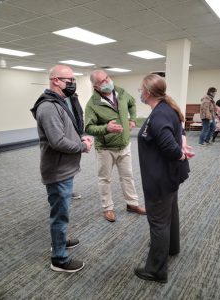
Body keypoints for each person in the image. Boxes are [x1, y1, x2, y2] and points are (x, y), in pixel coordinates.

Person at [31, 64, 93, 273]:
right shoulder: (48, 107)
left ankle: (60, 241)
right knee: (60, 214)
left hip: (65, 168)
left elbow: (71, 127)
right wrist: (82, 146)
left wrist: (81, 135)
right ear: (55, 80)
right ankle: (59, 258)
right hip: (57, 171)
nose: (72, 84)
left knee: (62, 211)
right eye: (69, 80)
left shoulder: (62, 102)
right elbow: (58, 141)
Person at [135, 74, 192, 283]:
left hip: (159, 178)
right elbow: (180, 128)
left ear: (148, 92)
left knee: (158, 221)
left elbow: (169, 146)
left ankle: (156, 270)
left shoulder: (159, 115)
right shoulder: (167, 108)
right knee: (170, 213)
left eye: (141, 89)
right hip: (169, 176)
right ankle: (171, 248)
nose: (140, 92)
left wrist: (180, 152)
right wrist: (182, 144)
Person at [85, 70, 146, 222]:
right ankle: (108, 208)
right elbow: (88, 128)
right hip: (106, 148)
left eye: (107, 78)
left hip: (124, 144)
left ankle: (132, 204)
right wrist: (106, 128)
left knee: (128, 176)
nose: (107, 82)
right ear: (96, 87)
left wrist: (132, 119)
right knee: (105, 179)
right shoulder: (92, 104)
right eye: (102, 81)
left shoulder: (121, 92)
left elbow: (132, 103)